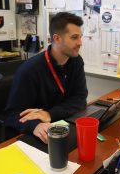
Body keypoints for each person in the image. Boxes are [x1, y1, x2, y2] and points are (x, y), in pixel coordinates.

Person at [5, 12, 88, 143]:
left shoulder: (76, 61)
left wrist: (50, 114)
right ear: (57, 38)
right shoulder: (30, 70)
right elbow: (12, 115)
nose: (80, 43)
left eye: (80, 37)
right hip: (37, 135)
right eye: (74, 37)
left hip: (60, 125)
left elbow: (80, 98)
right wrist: (35, 125)